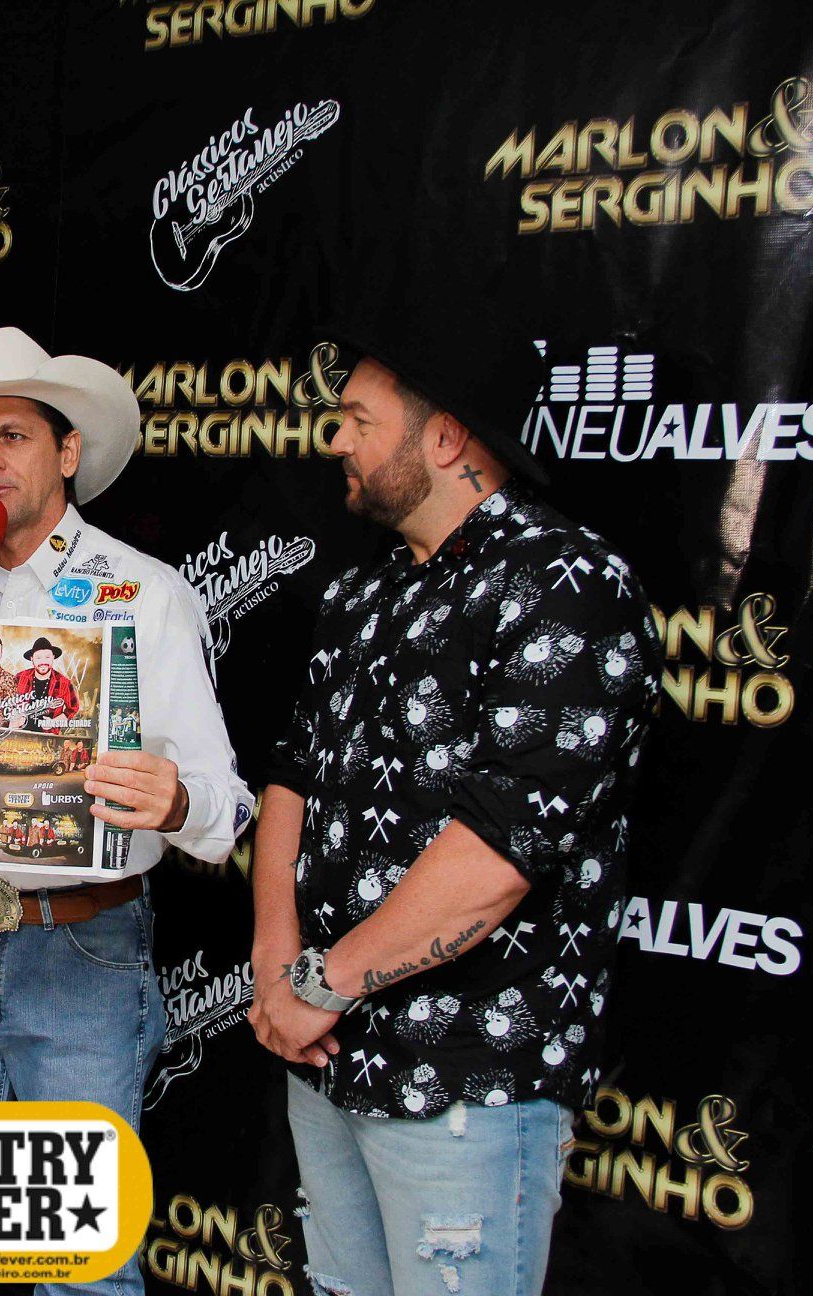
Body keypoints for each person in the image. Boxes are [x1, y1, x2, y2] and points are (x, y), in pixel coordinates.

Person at [247, 307, 661, 1296]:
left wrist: (320, 986)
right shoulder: (362, 595)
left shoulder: (568, 586)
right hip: (325, 1057)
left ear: (444, 437)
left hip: (468, 1083)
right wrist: (274, 962)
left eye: (358, 419)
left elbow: (497, 858)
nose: (335, 440)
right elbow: (292, 779)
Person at [0, 326, 255, 1296]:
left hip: (84, 949)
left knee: (84, 1269)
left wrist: (174, 799)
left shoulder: (146, 593)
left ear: (66, 452)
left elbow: (226, 807)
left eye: (13, 436)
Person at [14, 634, 79, 732]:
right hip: (20, 733)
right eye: (38, 658)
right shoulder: (19, 678)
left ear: (53, 657)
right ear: (32, 658)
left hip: (48, 736)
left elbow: (73, 708)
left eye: (47, 657)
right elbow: (5, 703)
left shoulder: (64, 683)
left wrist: (54, 722)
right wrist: (14, 717)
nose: (43, 662)